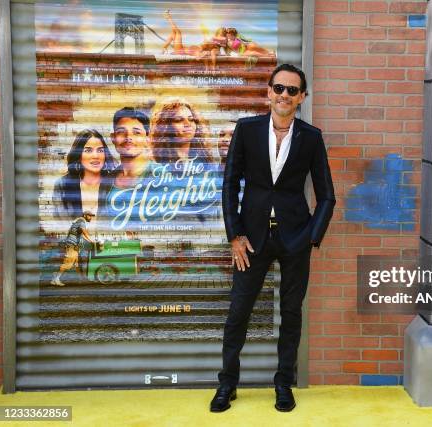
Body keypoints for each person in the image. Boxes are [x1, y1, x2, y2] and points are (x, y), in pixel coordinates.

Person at [211, 64, 335, 412]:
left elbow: (327, 195)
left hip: (295, 240)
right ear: (268, 92)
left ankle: (283, 383)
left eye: (292, 91)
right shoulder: (246, 130)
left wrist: (312, 236)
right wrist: (234, 235)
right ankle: (228, 384)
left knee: (291, 314)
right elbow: (230, 185)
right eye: (278, 88)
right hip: (251, 241)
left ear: (302, 98)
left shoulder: (311, 137)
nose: (284, 95)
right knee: (239, 312)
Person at [52, 129, 115, 220]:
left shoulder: (115, 183)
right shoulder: (62, 185)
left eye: (100, 150)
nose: (96, 156)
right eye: (88, 150)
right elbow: (59, 224)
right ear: (79, 155)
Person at [150, 99, 211, 167]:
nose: (188, 124)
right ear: (166, 126)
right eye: (179, 120)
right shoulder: (156, 162)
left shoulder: (204, 158)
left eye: (191, 119)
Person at [162, 10, 227, 70]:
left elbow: (198, 57)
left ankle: (168, 18)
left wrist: (204, 53)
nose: (204, 44)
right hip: (181, 49)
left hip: (180, 50)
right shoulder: (200, 48)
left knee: (177, 32)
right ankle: (164, 47)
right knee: (174, 33)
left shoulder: (200, 50)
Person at [51, 210, 96, 286]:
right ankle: (56, 278)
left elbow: (80, 235)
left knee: (77, 264)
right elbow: (84, 232)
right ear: (85, 215)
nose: (91, 217)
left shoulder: (78, 221)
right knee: (68, 263)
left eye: (91, 216)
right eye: (89, 216)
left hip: (74, 246)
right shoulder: (81, 221)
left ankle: (82, 279)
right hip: (72, 245)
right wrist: (92, 240)